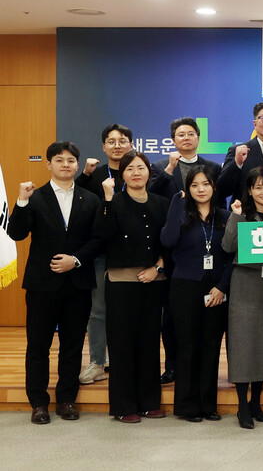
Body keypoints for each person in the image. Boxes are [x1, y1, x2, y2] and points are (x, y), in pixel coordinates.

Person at [8, 141, 103, 424]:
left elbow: (98, 239)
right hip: (42, 285)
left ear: (77, 165)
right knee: (38, 346)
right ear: (48, 164)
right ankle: (38, 403)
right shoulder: (34, 197)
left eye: (71, 160)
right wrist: (21, 201)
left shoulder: (90, 199)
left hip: (78, 284)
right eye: (59, 160)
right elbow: (16, 233)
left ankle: (66, 400)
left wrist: (76, 260)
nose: (65, 165)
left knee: (72, 346)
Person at [96, 151, 170, 423]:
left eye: (141, 167)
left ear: (149, 172)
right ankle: (123, 406)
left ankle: (149, 402)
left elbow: (171, 242)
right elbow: (102, 235)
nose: (136, 173)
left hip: (154, 280)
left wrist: (158, 268)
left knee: (149, 341)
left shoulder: (162, 203)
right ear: (122, 175)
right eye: (129, 169)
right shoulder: (113, 202)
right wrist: (107, 199)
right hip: (121, 282)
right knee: (121, 343)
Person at [159, 167, 230, 422]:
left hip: (216, 289)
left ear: (214, 187)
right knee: (187, 346)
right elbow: (167, 241)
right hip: (185, 287)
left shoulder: (226, 216)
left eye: (206, 184)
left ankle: (208, 405)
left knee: (211, 346)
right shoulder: (180, 213)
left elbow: (233, 256)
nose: (201, 189)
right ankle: (187, 406)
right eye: (195, 185)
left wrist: (222, 286)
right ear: (188, 189)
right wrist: (175, 207)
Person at [221, 167, 263, 429]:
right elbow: (227, 246)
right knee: (243, 346)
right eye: (258, 187)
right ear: (249, 191)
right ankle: (242, 406)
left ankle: (256, 402)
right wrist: (235, 217)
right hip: (244, 285)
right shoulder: (241, 215)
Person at [76, 124, 135, 386]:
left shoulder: (139, 171)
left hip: (133, 254)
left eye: (122, 141)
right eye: (111, 141)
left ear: (131, 144)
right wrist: (84, 175)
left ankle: (127, 360)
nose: (117, 145)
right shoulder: (95, 175)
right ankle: (97, 362)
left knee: (130, 311)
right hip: (101, 252)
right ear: (103, 146)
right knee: (98, 311)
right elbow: (76, 197)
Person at [149, 117, 223, 205]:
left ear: (198, 139)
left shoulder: (213, 168)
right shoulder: (160, 167)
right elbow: (151, 196)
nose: (186, 138)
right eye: (181, 135)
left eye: (191, 134)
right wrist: (170, 168)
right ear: (173, 141)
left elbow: (220, 200)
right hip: (171, 213)